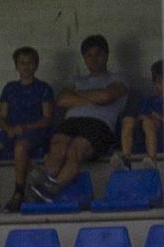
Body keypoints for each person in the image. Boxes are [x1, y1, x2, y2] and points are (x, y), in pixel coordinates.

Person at [28, 35, 128, 202]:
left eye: (98, 54)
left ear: (106, 55)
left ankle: (53, 188)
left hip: (100, 125)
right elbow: (61, 100)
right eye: (89, 55)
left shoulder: (118, 78)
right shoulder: (76, 79)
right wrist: (94, 99)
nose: (93, 59)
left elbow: (106, 96)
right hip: (72, 122)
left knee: (75, 150)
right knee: (58, 147)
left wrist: (77, 96)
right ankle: (42, 187)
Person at [0, 45, 54, 214]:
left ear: (36, 65)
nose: (26, 66)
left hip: (34, 132)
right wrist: (8, 128)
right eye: (22, 63)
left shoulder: (44, 88)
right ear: (16, 66)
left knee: (21, 147)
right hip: (11, 131)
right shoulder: (9, 88)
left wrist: (25, 127)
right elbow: (1, 116)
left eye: (30, 63)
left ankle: (18, 193)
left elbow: (47, 119)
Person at [118, 60, 164, 168]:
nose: (160, 86)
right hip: (143, 140)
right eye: (158, 82)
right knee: (129, 120)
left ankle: (152, 162)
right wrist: (142, 118)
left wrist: (158, 117)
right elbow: (139, 117)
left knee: (149, 123)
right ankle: (126, 160)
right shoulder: (149, 100)